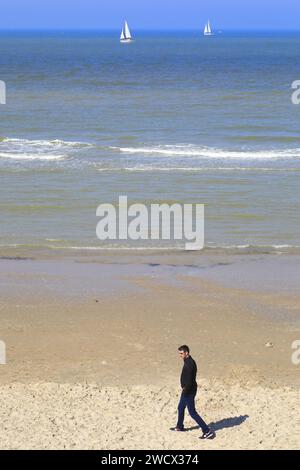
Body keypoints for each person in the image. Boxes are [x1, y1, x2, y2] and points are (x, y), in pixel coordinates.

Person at [173, 345, 215, 440]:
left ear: (186, 353)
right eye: (179, 353)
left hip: (189, 391)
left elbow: (190, 381)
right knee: (180, 407)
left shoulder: (190, 364)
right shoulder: (187, 360)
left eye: (181, 353)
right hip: (187, 390)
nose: (180, 355)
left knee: (192, 412)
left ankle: (207, 431)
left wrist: (185, 389)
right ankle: (179, 426)